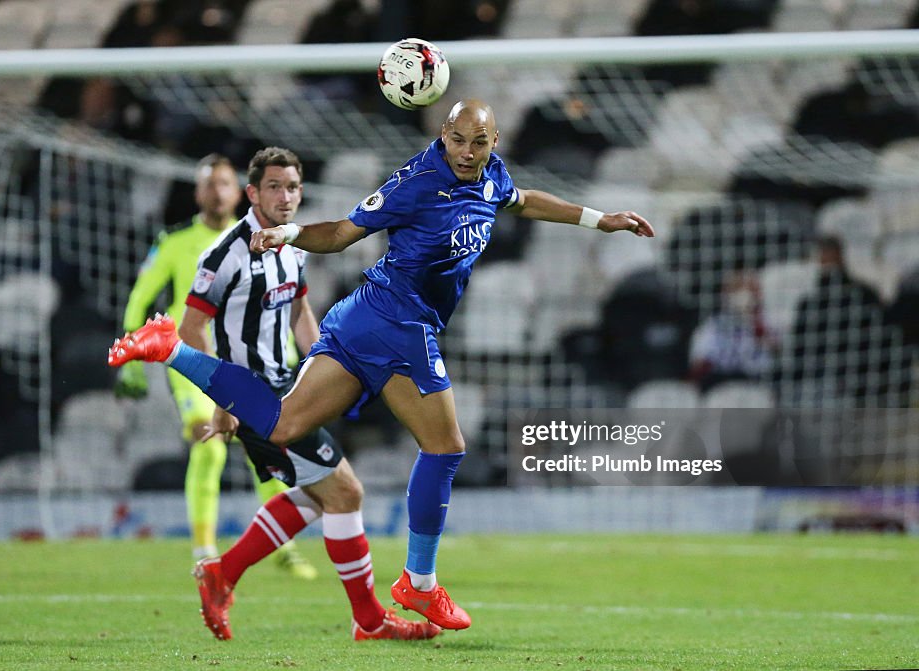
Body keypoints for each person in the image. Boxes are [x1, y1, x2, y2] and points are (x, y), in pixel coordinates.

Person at [109, 99, 654, 631]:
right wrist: (291, 233)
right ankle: (417, 584)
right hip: (398, 324)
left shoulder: (492, 176)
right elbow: (345, 233)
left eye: (478, 142)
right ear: (442, 133)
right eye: (457, 140)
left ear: (495, 143)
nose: (466, 152)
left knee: (281, 425)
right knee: (445, 447)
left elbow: (523, 199)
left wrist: (598, 219)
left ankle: (170, 349)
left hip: (361, 322)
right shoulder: (416, 182)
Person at [163, 146, 439, 642]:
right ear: (252, 193)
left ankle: (222, 573)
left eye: (292, 187)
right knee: (345, 492)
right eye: (274, 187)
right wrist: (224, 402)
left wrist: (325, 374)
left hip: (289, 390)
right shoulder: (225, 254)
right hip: (256, 400)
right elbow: (191, 332)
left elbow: (300, 316)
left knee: (315, 497)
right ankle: (370, 621)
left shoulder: (292, 246)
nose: (285, 197)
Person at [115, 153, 317, 578]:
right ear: (197, 191)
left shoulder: (267, 238)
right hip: (200, 363)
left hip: (263, 363)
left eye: (223, 183)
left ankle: (282, 547)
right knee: (208, 448)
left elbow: (293, 307)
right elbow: (140, 298)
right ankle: (204, 549)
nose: (216, 192)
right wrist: (132, 358)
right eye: (209, 184)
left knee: (265, 452)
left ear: (238, 191)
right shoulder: (177, 243)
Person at [688, 270, 775, 392]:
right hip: (720, 384)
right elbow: (700, 363)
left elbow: (770, 358)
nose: (744, 295)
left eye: (750, 289)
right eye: (737, 290)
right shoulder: (714, 325)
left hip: (755, 383)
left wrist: (754, 323)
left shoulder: (766, 322)